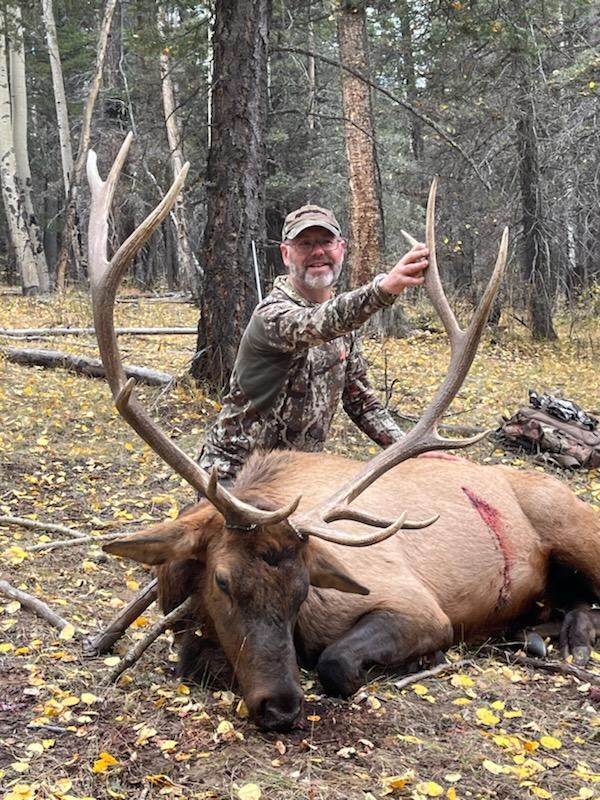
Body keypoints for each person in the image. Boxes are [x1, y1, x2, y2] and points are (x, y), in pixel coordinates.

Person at [198, 204, 429, 482]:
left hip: (294, 480)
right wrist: (382, 289)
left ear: (341, 248)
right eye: (305, 244)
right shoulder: (272, 316)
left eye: (326, 242)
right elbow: (317, 322)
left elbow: (361, 402)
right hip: (234, 479)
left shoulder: (343, 324)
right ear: (286, 253)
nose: (317, 252)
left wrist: (411, 452)